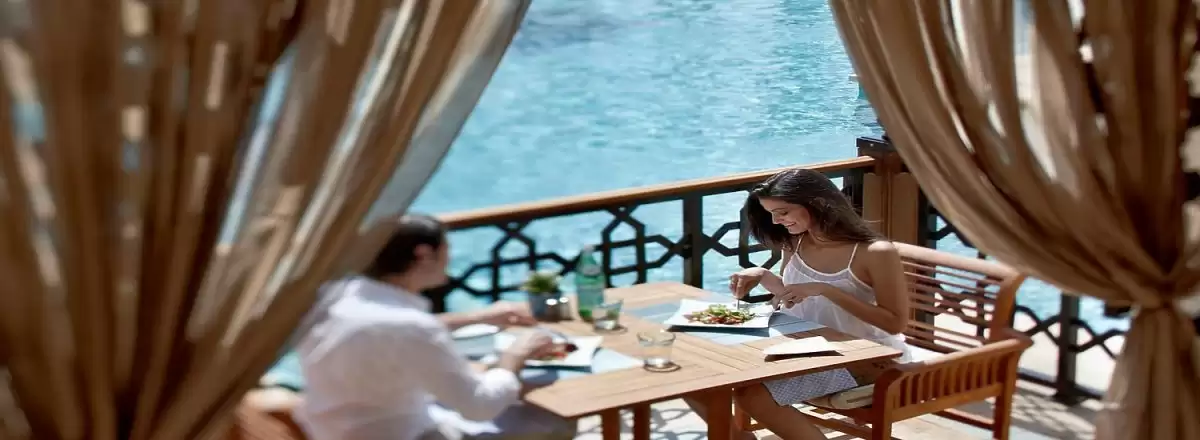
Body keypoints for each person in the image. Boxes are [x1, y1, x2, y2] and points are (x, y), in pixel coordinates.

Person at [294, 213, 578, 440]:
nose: (449, 259)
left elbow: (390, 330)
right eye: (446, 249)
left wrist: (478, 317)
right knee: (552, 421)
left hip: (330, 430)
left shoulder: (336, 296)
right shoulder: (410, 326)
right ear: (424, 254)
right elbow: (479, 406)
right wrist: (514, 357)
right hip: (404, 435)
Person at [686, 168, 912, 440]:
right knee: (697, 374)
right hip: (803, 346)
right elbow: (794, 294)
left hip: (865, 358)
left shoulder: (874, 252)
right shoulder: (795, 240)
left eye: (782, 212)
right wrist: (763, 276)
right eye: (771, 213)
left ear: (817, 202)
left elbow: (895, 322)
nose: (776, 221)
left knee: (753, 395)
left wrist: (827, 290)